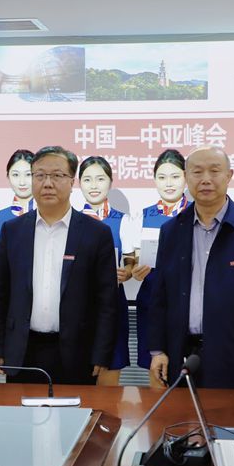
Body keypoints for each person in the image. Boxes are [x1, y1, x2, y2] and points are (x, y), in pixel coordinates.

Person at [148, 147, 234, 389]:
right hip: (181, 354)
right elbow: (160, 296)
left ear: (229, 176)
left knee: (231, 414)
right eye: (197, 172)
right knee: (181, 414)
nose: (206, 179)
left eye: (214, 171)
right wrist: (158, 350)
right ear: (186, 177)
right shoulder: (171, 231)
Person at [0, 145, 118, 385]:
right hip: (22, 350)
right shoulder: (12, 231)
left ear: (72, 181)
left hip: (78, 352)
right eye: (39, 175)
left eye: (57, 175)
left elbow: (107, 301)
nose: (47, 183)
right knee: (20, 410)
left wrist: (101, 352)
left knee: (76, 410)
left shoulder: (96, 234)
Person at [78, 156, 137, 385]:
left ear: (110, 182)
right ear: (79, 183)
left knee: (109, 383)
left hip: (111, 304)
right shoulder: (70, 220)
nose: (94, 186)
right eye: (87, 179)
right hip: (77, 306)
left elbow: (131, 260)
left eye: (100, 179)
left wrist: (127, 272)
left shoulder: (123, 220)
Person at [131, 149, 189, 370]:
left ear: (186, 177)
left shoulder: (197, 214)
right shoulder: (142, 216)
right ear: (154, 180)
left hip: (187, 303)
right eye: (162, 177)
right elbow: (134, 260)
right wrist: (136, 270)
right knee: (155, 369)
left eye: (175, 176)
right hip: (152, 301)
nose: (169, 183)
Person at [0, 149, 34, 238]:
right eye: (16, 175)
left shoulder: (48, 213)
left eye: (28, 174)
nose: (22, 182)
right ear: (8, 177)